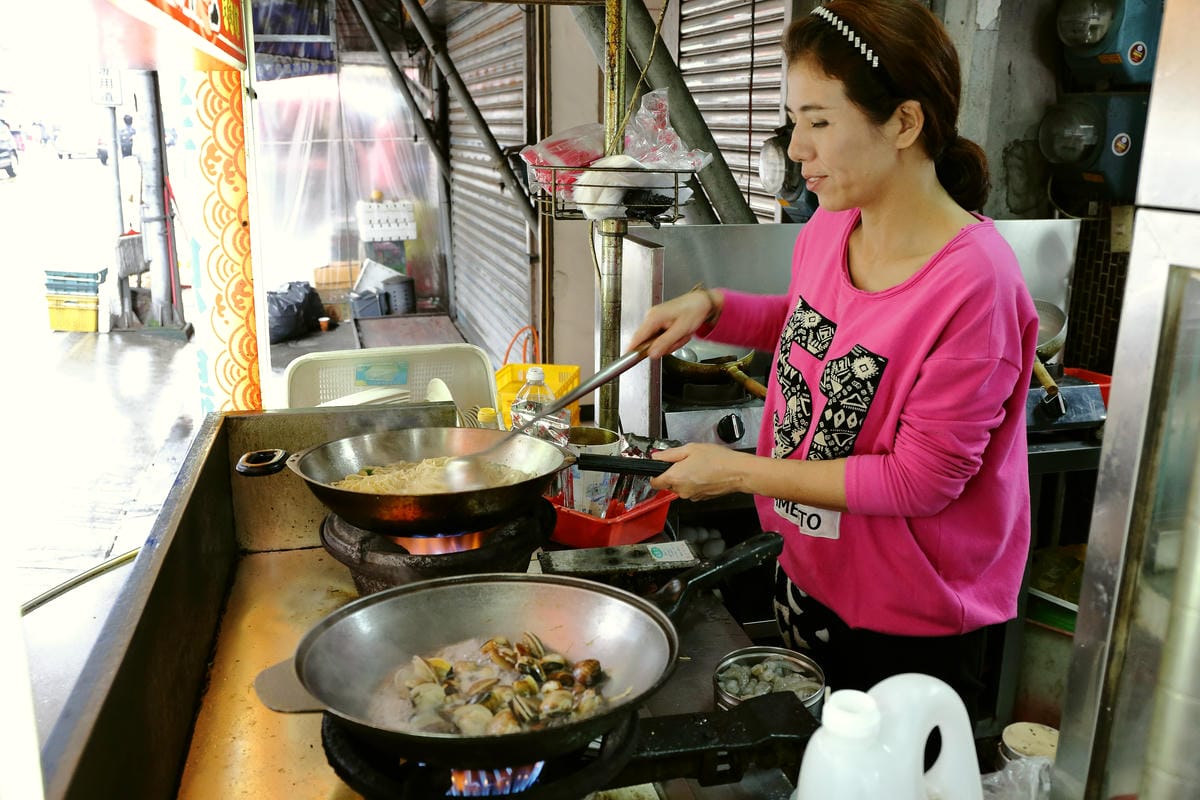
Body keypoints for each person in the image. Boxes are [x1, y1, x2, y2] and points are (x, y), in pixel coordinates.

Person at [630, 0, 1037, 724]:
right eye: (795, 121)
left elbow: (923, 479)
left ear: (904, 124)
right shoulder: (833, 222)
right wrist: (715, 306)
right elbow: (809, 324)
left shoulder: (976, 285)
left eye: (819, 122)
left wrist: (737, 472)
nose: (796, 149)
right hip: (809, 565)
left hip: (909, 617)